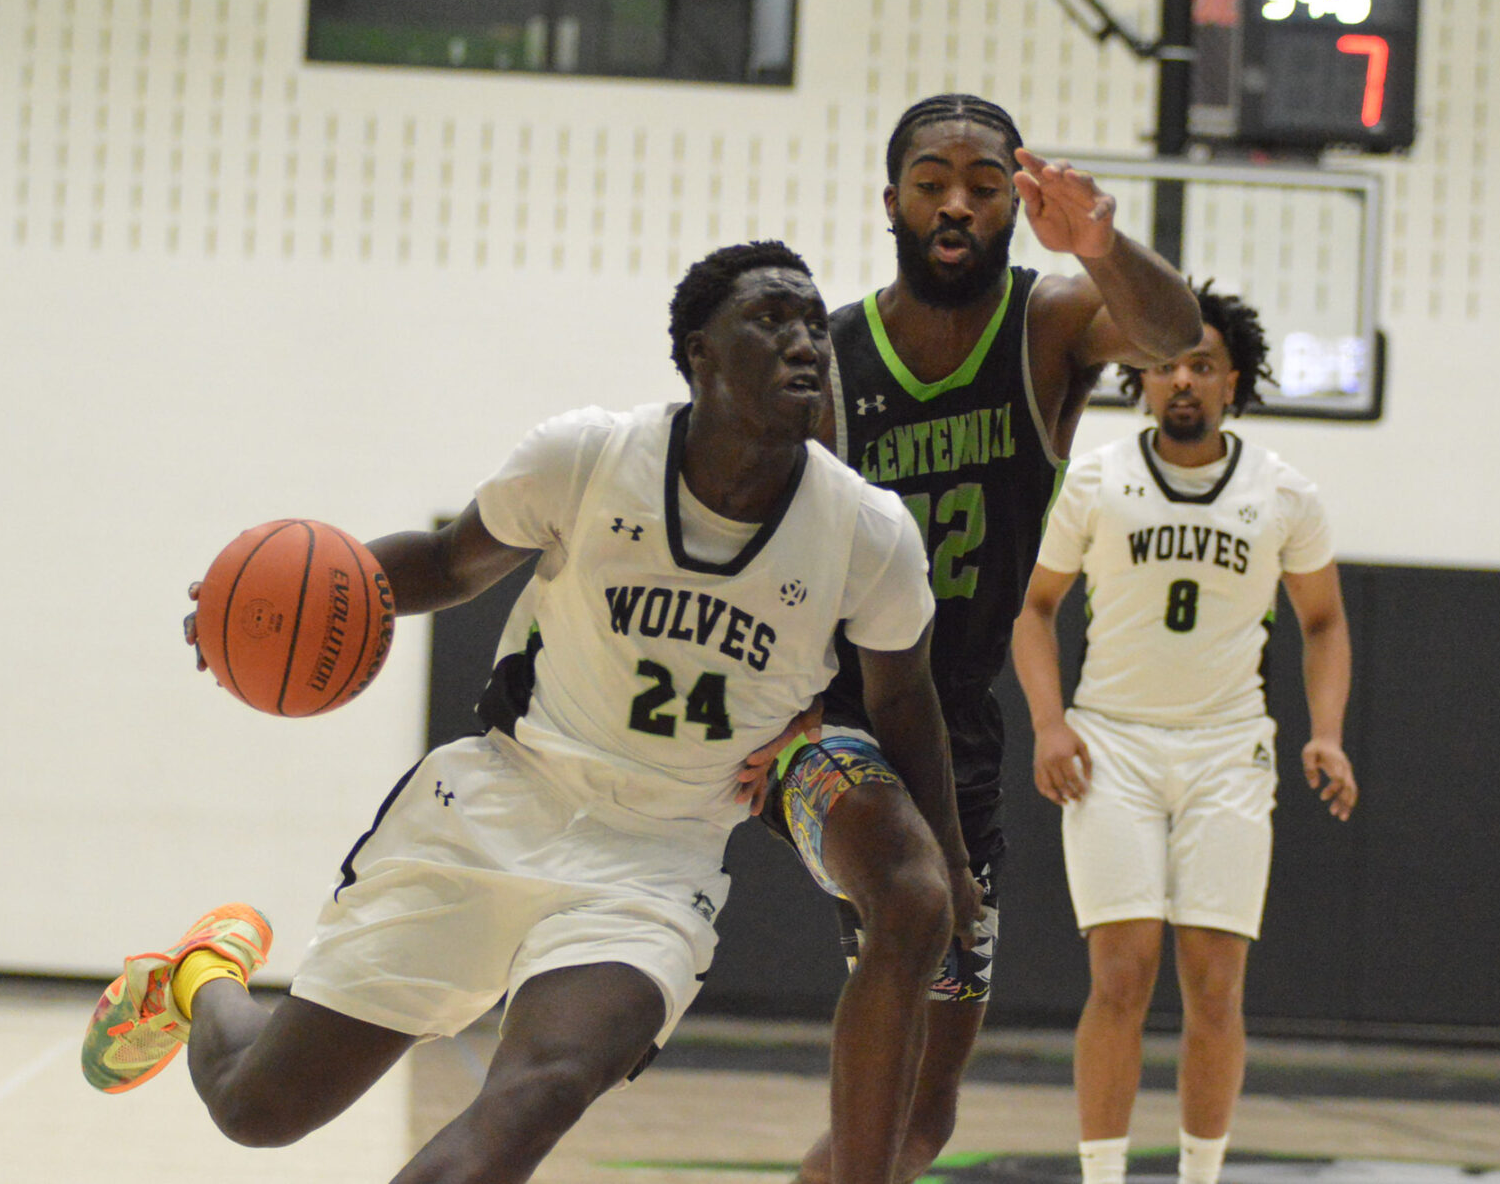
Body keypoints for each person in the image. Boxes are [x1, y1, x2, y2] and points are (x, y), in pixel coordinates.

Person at [80, 240, 979, 1184]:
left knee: (538, 1093)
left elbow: (903, 699)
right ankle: (200, 973)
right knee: (256, 1109)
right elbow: (445, 563)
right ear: (699, 353)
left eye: (811, 322)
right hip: (499, 808)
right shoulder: (588, 456)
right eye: (770, 319)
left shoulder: (868, 532)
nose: (804, 342)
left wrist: (950, 860)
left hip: (654, 867)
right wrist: (253, 613)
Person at [753, 93, 1205, 1184]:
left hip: (960, 739)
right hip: (833, 720)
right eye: (931, 181)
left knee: (921, 1115)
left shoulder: (1048, 321)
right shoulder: (834, 357)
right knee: (913, 890)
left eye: (984, 182)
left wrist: (1099, 245)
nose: (956, 202)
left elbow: (1173, 334)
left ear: (1015, 199)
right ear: (892, 201)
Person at [1008, 281, 1359, 1184]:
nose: (1182, 382)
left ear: (1233, 380)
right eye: (1164, 365)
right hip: (1112, 748)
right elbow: (1033, 610)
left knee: (1215, 988)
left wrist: (1327, 733)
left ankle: (1201, 1177)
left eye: (1201, 364)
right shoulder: (1095, 480)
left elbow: (1323, 622)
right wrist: (1049, 725)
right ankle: (1102, 1176)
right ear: (1139, 379)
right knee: (1121, 976)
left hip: (1228, 751)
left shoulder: (1286, 494)